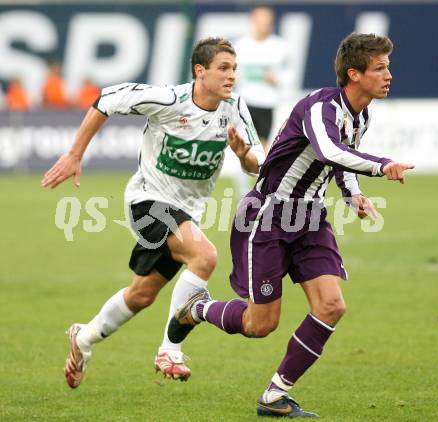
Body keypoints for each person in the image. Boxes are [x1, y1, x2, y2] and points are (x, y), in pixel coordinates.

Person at [168, 33, 415, 418]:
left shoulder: (360, 115)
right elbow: (329, 150)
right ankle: (197, 308)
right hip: (267, 216)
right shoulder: (320, 107)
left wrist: (352, 194)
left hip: (310, 218)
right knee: (260, 323)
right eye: (380, 68)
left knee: (331, 306)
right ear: (354, 74)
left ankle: (274, 395)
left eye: (387, 67)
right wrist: (383, 164)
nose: (389, 75)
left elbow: (340, 163)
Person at [41, 37, 264, 388]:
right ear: (199, 71)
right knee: (204, 256)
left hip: (186, 212)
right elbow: (106, 99)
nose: (231, 75)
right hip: (147, 201)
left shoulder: (235, 107)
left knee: (141, 295)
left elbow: (256, 164)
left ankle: (83, 338)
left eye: (234, 68)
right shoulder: (168, 100)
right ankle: (169, 349)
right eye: (223, 68)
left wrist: (241, 154)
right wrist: (74, 154)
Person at [233, 5, 291, 196]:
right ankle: (243, 189)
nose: (262, 25)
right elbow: (232, 72)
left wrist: (277, 79)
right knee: (244, 144)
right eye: (259, 20)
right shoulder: (241, 46)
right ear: (253, 21)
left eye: (266, 21)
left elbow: (289, 75)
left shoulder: (279, 47)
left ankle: (259, 188)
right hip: (245, 101)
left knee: (263, 146)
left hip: (267, 102)